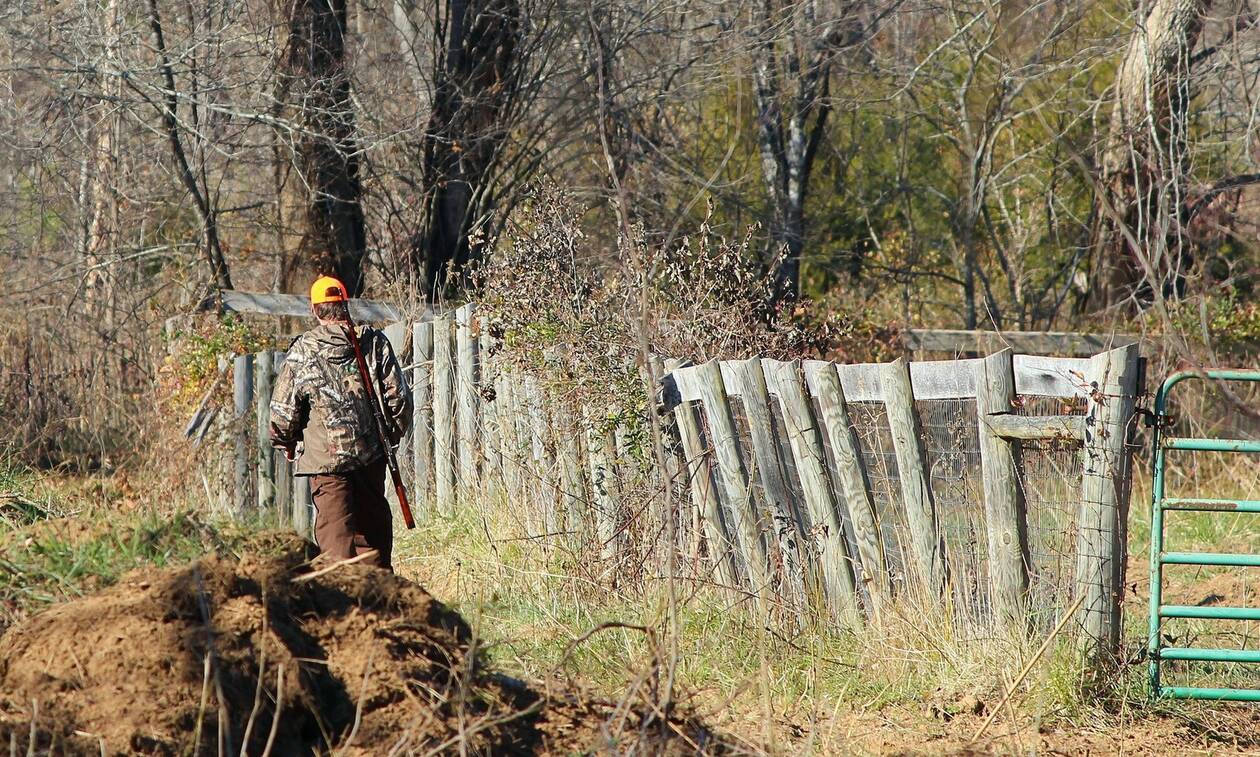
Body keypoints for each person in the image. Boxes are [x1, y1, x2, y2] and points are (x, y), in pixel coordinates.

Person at [269, 275, 412, 571]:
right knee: (373, 540)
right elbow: (399, 399)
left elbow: (282, 412)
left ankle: (343, 605)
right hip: (371, 457)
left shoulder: (303, 351)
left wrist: (285, 440)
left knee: (336, 542)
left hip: (327, 466)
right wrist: (389, 436)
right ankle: (381, 602)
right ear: (344, 305)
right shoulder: (374, 343)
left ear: (315, 310)